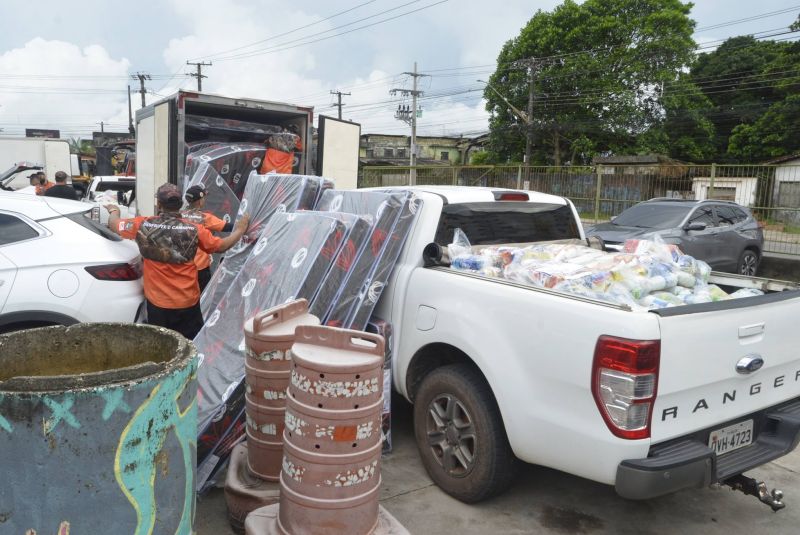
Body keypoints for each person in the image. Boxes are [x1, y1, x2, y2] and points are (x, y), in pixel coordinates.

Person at [106, 183, 250, 339]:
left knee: (162, 345)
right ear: (180, 204)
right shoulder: (194, 229)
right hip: (187, 303)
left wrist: (114, 211)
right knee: (190, 344)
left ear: (159, 204)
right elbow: (222, 246)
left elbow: (114, 224)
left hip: (157, 304)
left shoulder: (142, 225)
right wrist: (240, 230)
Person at [181, 184, 233, 292]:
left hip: (181, 267)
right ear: (200, 201)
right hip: (200, 268)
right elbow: (226, 227)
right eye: (204, 198)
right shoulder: (204, 218)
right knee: (202, 296)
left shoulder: (178, 216)